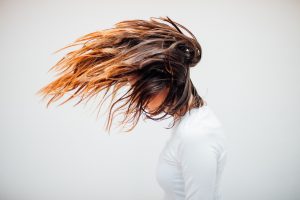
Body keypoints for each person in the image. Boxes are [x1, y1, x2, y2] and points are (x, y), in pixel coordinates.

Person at [36, 16, 228, 200]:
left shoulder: (195, 135)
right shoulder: (193, 120)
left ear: (167, 77)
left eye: (139, 87)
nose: (137, 97)